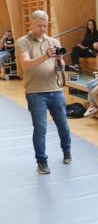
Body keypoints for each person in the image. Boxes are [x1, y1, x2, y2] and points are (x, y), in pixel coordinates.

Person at [15, 10, 72, 174]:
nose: (42, 28)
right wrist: (46, 56)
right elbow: (25, 64)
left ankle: (67, 152)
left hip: (55, 90)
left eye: (45, 25)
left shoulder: (53, 41)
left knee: (63, 125)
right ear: (31, 24)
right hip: (35, 92)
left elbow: (62, 67)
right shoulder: (23, 41)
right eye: (39, 25)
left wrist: (60, 60)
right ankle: (41, 161)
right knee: (40, 129)